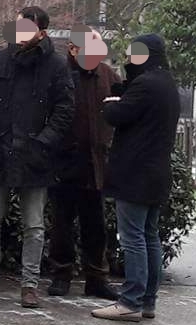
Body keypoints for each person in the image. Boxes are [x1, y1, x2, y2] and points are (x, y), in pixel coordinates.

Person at [0, 6, 74, 308]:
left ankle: (30, 284)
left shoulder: (56, 65)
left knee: (34, 225)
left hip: (35, 156)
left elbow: (64, 108)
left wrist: (43, 143)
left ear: (42, 32)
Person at [92, 34, 180, 322]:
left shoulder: (145, 85)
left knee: (132, 240)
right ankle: (147, 302)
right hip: (156, 173)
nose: (130, 58)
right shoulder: (166, 83)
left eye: (135, 53)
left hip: (135, 174)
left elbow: (117, 115)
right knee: (149, 237)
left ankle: (130, 301)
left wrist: (109, 101)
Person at [47, 29, 121, 300]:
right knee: (62, 224)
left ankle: (97, 278)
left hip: (97, 162)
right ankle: (61, 275)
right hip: (64, 161)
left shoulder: (109, 76)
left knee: (96, 225)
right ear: (73, 49)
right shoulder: (59, 75)